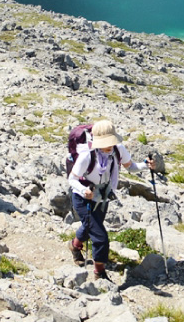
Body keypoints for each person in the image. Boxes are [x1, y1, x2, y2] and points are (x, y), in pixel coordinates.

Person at [67, 119, 148, 278]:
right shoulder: (87, 156)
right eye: (106, 142)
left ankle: (74, 246)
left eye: (111, 141)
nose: (110, 145)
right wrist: (84, 191)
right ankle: (99, 272)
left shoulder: (118, 150)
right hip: (82, 198)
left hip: (102, 196)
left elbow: (130, 167)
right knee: (100, 237)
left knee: (90, 227)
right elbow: (72, 179)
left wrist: (146, 165)